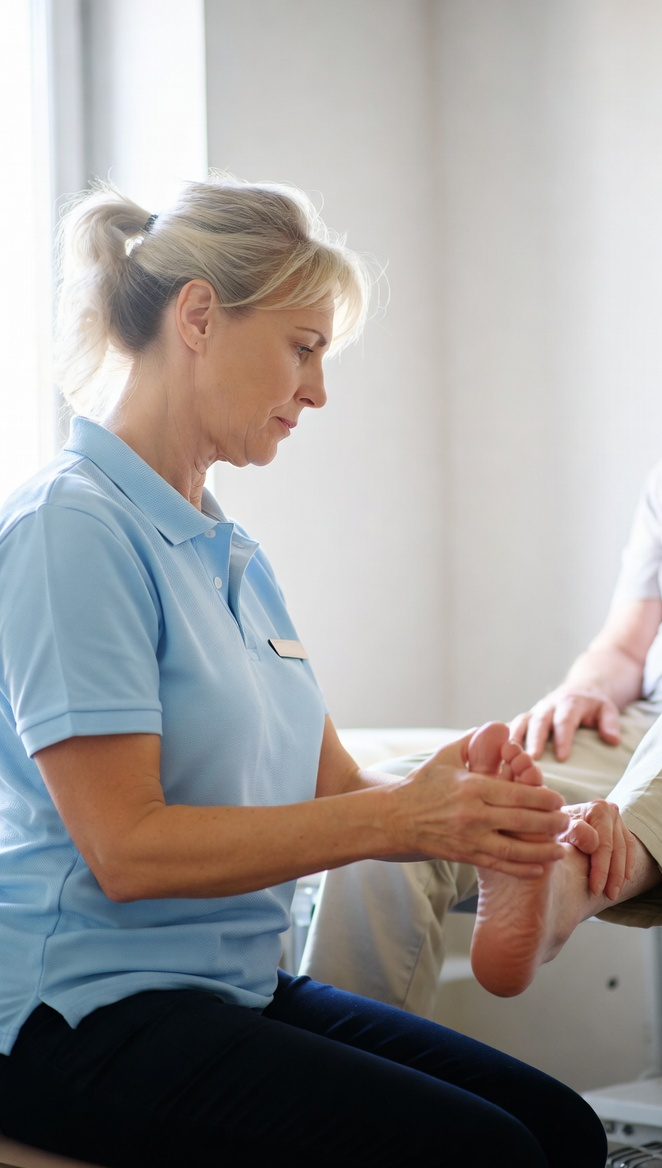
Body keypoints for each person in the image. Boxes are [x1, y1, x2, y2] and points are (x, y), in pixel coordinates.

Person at [0, 178, 608, 1167]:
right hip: (75, 1012)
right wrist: (400, 817)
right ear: (198, 316)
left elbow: (333, 793)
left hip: (225, 986)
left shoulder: (228, 550)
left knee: (562, 1131)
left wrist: (462, 795)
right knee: (485, 1153)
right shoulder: (72, 529)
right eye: (303, 347)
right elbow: (127, 848)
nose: (317, 391)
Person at [301, 206, 662, 1009]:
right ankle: (327, 1087)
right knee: (404, 803)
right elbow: (627, 646)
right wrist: (585, 687)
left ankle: (565, 885)